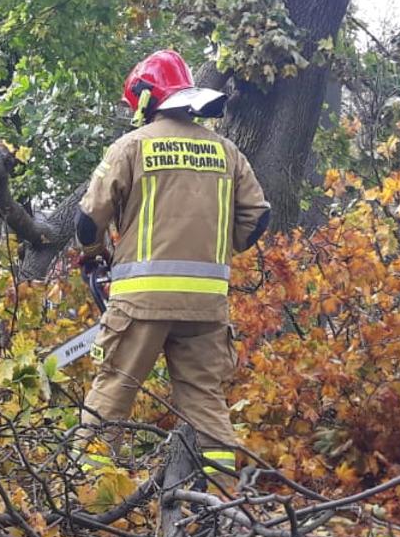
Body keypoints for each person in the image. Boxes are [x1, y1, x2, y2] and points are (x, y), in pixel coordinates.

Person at [75, 49, 272, 479]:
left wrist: (94, 255)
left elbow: (88, 220)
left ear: (145, 99)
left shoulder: (130, 147)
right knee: (205, 400)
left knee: (115, 388)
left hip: (140, 301)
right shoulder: (227, 151)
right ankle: (220, 497)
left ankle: (86, 493)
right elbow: (257, 217)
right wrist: (216, 246)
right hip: (205, 307)